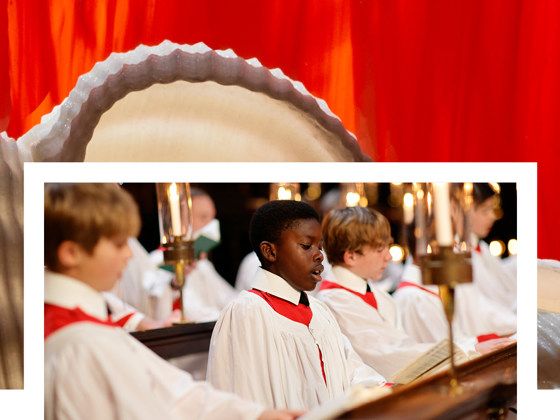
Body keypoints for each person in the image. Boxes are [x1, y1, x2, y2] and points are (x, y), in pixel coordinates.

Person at [44, 183, 302, 420]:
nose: (128, 255)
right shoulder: (77, 343)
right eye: (119, 244)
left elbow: (173, 394)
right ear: (71, 253)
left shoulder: (84, 330)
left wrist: (259, 415)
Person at [207, 200, 387, 411]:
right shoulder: (248, 312)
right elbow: (245, 399)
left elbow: (350, 368)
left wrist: (383, 390)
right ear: (270, 252)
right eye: (306, 246)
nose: (320, 255)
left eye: (320, 246)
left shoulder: (319, 311)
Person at [315, 206, 436, 380]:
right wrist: (461, 351)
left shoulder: (380, 296)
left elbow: (403, 344)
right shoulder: (332, 303)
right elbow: (385, 356)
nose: (388, 257)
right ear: (351, 257)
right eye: (380, 250)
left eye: (388, 247)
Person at [468, 183, 517, 313]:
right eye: (485, 210)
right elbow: (489, 304)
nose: (493, 216)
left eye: (492, 209)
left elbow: (501, 281)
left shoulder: (481, 247)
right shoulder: (465, 254)